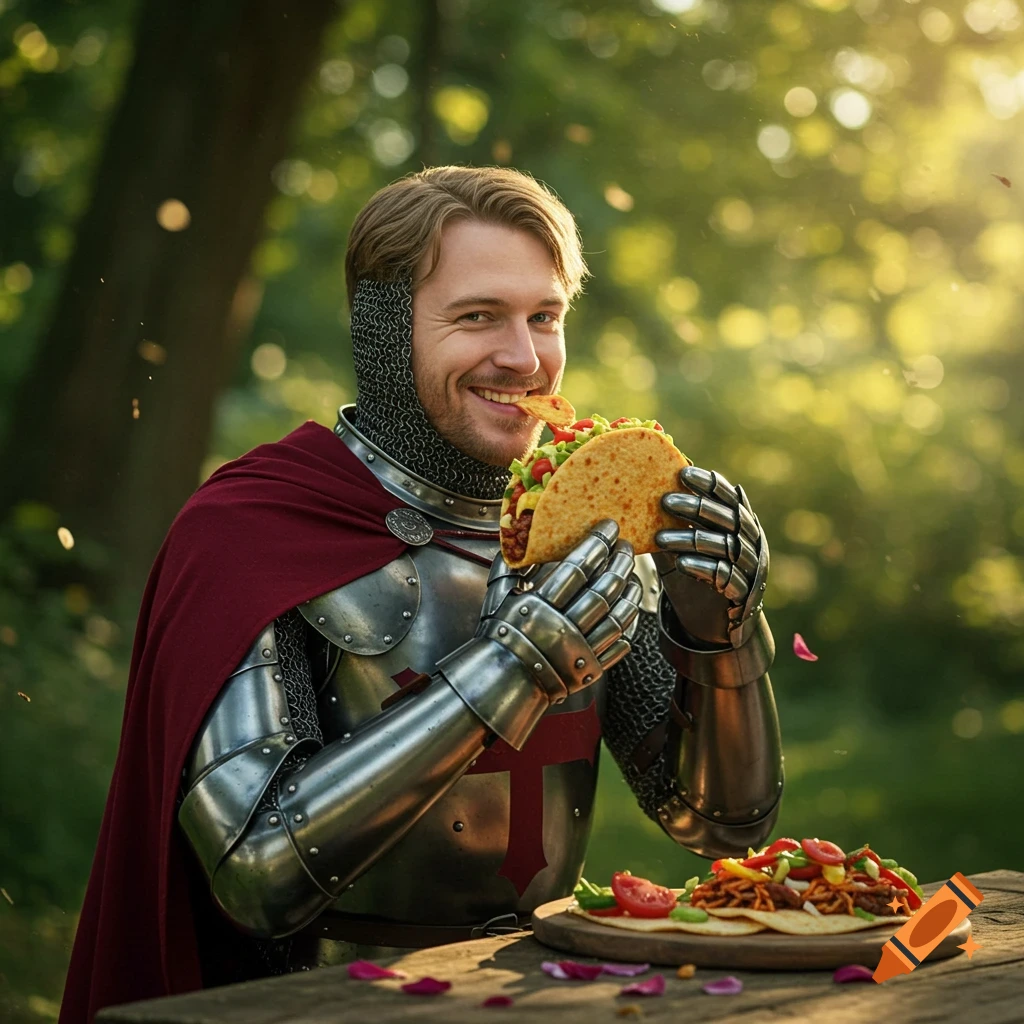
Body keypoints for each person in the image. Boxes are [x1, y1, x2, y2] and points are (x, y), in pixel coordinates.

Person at [60, 166, 782, 1021]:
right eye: (478, 316)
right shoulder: (254, 527)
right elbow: (255, 873)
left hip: (545, 994)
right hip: (320, 1002)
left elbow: (721, 826)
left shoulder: (588, 529)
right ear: (387, 330)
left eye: (544, 317)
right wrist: (518, 662)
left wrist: (719, 639)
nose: (525, 357)